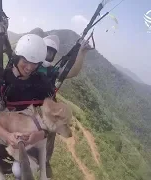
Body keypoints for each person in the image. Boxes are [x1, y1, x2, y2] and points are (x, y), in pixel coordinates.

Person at [0, 34, 55, 179]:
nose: (30, 67)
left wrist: (40, 135)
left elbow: (54, 119)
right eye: (26, 61)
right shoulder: (2, 79)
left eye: (35, 63)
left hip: (30, 138)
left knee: (21, 171)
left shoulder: (42, 83)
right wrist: (6, 136)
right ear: (18, 57)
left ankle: (17, 167)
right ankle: (3, 164)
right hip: (5, 132)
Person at [37, 34, 92, 178]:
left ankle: (45, 161)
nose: (47, 56)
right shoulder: (31, 64)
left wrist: (81, 53)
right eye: (45, 51)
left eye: (50, 53)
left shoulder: (51, 71)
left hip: (46, 107)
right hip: (29, 105)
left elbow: (72, 71)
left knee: (50, 133)